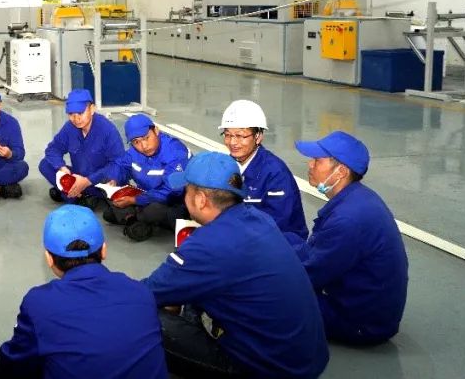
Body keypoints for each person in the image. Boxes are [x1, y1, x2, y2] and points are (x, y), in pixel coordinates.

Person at [142, 152, 328, 379]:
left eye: (186, 191)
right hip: (304, 358)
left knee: (142, 317)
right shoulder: (259, 218)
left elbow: (145, 293)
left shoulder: (207, 246)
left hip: (266, 369)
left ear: (200, 199)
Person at [0, 205, 168, 379]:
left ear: (49, 259)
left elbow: (14, 363)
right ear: (104, 250)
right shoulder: (141, 291)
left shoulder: (39, 304)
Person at [293, 131, 409, 345]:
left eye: (317, 160)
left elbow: (307, 276)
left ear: (341, 171)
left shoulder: (347, 220)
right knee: (289, 242)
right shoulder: (359, 198)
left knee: (266, 293)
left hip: (359, 323)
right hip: (367, 309)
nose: (310, 164)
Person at [218, 99, 308, 242]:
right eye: (228, 135)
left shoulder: (276, 174)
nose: (233, 142)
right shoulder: (226, 166)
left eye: (240, 135)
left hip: (280, 244)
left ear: (258, 137)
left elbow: (275, 226)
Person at [103, 114, 192, 242]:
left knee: (153, 211)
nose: (144, 146)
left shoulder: (175, 152)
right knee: (106, 181)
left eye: (146, 138)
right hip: (145, 195)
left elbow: (172, 191)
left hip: (174, 203)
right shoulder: (134, 152)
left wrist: (135, 200)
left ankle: (128, 216)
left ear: (156, 130)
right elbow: (119, 165)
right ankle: (132, 219)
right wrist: (114, 179)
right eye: (136, 142)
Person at [38, 89, 125, 209]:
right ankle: (80, 195)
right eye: (71, 114)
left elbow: (118, 163)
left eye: (80, 113)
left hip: (99, 180)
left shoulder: (107, 130)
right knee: (45, 164)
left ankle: (71, 194)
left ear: (92, 109)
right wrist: (61, 168)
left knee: (113, 180)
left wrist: (88, 181)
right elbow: (53, 149)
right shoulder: (69, 128)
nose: (76, 118)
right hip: (79, 176)